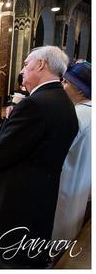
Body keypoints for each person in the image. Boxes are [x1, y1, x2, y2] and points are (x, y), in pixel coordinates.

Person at [0, 46, 78, 269]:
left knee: (12, 261)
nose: (22, 70)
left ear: (41, 65)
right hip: (42, 200)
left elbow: (1, 150)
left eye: (26, 64)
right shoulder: (64, 102)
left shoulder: (34, 104)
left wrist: (9, 119)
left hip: (19, 205)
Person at [52, 61, 91, 242]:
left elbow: (54, 148)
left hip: (66, 183)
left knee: (58, 232)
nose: (62, 85)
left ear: (81, 89)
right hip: (83, 183)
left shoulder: (77, 115)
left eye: (66, 82)